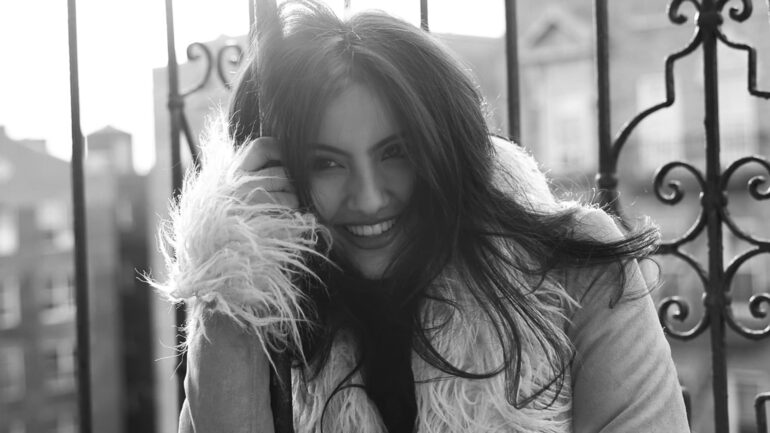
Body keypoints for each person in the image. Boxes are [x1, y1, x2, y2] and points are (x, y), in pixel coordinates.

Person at [152, 1, 690, 432]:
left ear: (444, 148)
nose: (368, 198)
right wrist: (233, 277)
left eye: (396, 152)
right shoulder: (272, 311)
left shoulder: (575, 268)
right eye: (326, 163)